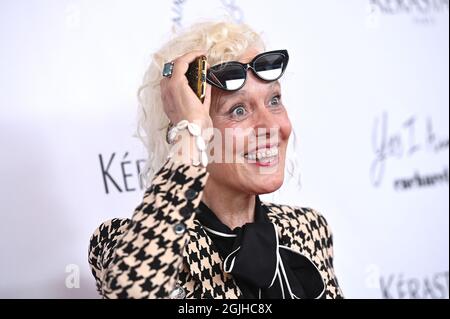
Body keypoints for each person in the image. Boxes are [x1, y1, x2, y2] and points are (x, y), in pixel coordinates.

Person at [88, 20, 343, 299]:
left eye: (274, 100)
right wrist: (190, 129)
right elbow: (132, 293)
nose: (271, 126)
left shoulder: (308, 228)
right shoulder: (124, 240)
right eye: (238, 110)